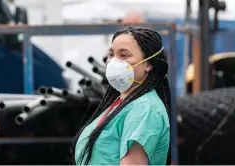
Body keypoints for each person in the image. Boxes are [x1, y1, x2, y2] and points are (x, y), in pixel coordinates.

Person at [70, 27, 171, 165]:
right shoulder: (122, 104)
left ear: (148, 64)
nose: (113, 62)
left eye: (124, 55)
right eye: (111, 55)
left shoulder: (144, 109)